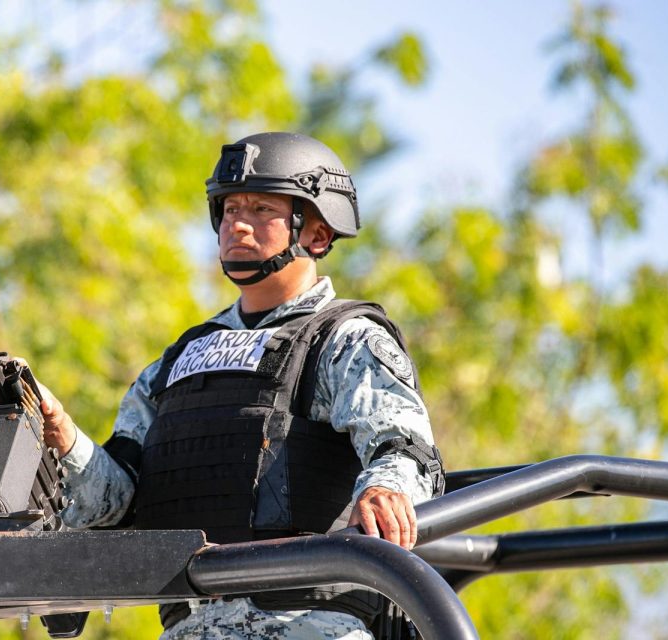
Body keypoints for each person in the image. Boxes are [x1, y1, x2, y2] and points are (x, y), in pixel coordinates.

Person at [37, 132, 444, 639]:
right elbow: (116, 503)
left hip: (309, 625)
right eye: (229, 209)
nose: (238, 224)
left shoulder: (342, 339)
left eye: (261, 208)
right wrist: (64, 438)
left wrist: (387, 487)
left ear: (316, 234)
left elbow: (406, 451)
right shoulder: (178, 361)